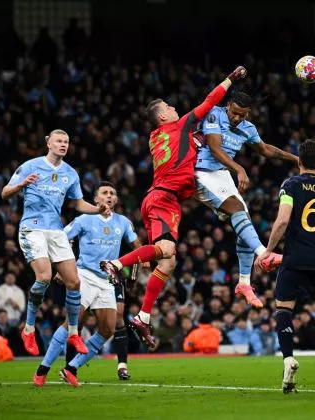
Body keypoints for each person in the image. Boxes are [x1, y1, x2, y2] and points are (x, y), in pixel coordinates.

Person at [100, 66, 248, 348]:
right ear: (163, 116)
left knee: (168, 262)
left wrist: (195, 142)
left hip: (157, 198)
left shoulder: (155, 137)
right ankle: (117, 263)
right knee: (167, 251)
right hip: (164, 199)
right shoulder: (178, 127)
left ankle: (143, 316)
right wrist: (230, 78)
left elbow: (181, 155)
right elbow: (209, 101)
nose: (174, 107)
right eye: (169, 106)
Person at [1, 129, 111, 356]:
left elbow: (79, 204)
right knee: (44, 277)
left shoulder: (70, 173)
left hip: (56, 231)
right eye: (59, 141)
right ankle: (29, 329)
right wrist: (21, 186)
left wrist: (97, 209)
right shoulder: (30, 166)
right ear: (48, 143)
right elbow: (4, 193)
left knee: (74, 282)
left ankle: (73, 333)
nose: (63, 145)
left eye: (66, 142)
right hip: (33, 227)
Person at [255, 140, 315, 393]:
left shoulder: (291, 185)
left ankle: (288, 362)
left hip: (294, 258)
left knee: (284, 309)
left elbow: (283, 221)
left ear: (299, 160)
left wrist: (269, 250)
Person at [194, 90, 299, 307]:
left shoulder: (247, 128)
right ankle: (264, 254)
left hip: (222, 175)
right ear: (229, 105)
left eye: (242, 115)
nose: (237, 118)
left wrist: (296, 159)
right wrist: (239, 168)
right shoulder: (214, 114)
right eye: (234, 113)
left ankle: (244, 282)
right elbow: (214, 147)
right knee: (237, 210)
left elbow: (266, 150)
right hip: (202, 171)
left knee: (244, 223)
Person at [32, 182, 141, 387]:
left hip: (107, 280)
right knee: (73, 323)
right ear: (96, 200)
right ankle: (43, 369)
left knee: (108, 329)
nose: (109, 196)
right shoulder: (84, 220)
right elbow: (60, 239)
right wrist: (63, 270)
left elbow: (137, 248)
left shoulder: (124, 223)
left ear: (116, 200)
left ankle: (71, 368)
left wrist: (134, 268)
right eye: (104, 193)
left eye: (112, 193)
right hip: (84, 276)